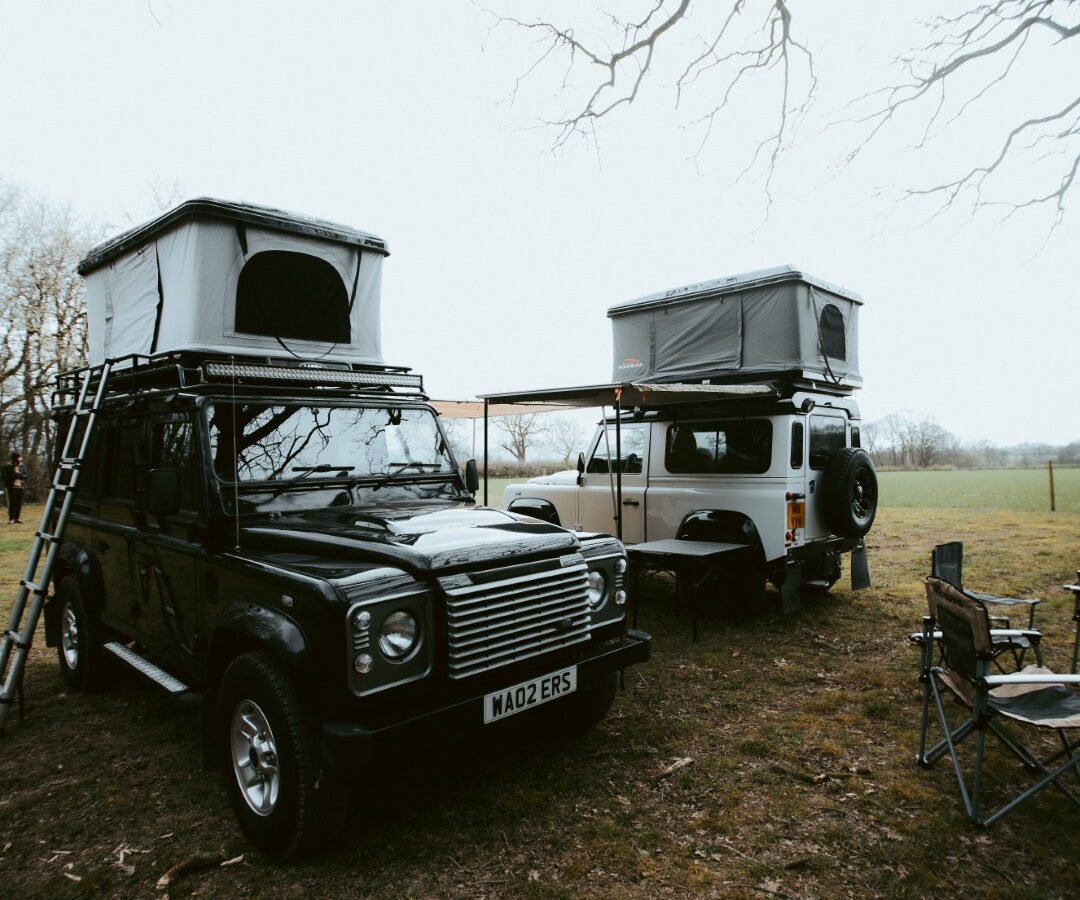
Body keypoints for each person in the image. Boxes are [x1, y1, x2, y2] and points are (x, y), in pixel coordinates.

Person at [2, 451, 26, 524]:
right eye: (18, 458)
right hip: (11, 487)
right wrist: (14, 475)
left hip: (20, 487)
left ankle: (16, 518)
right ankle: (11, 519)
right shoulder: (6, 466)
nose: (20, 460)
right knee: (13, 503)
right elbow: (4, 477)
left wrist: (19, 476)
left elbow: (25, 476)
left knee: (19, 503)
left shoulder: (22, 466)